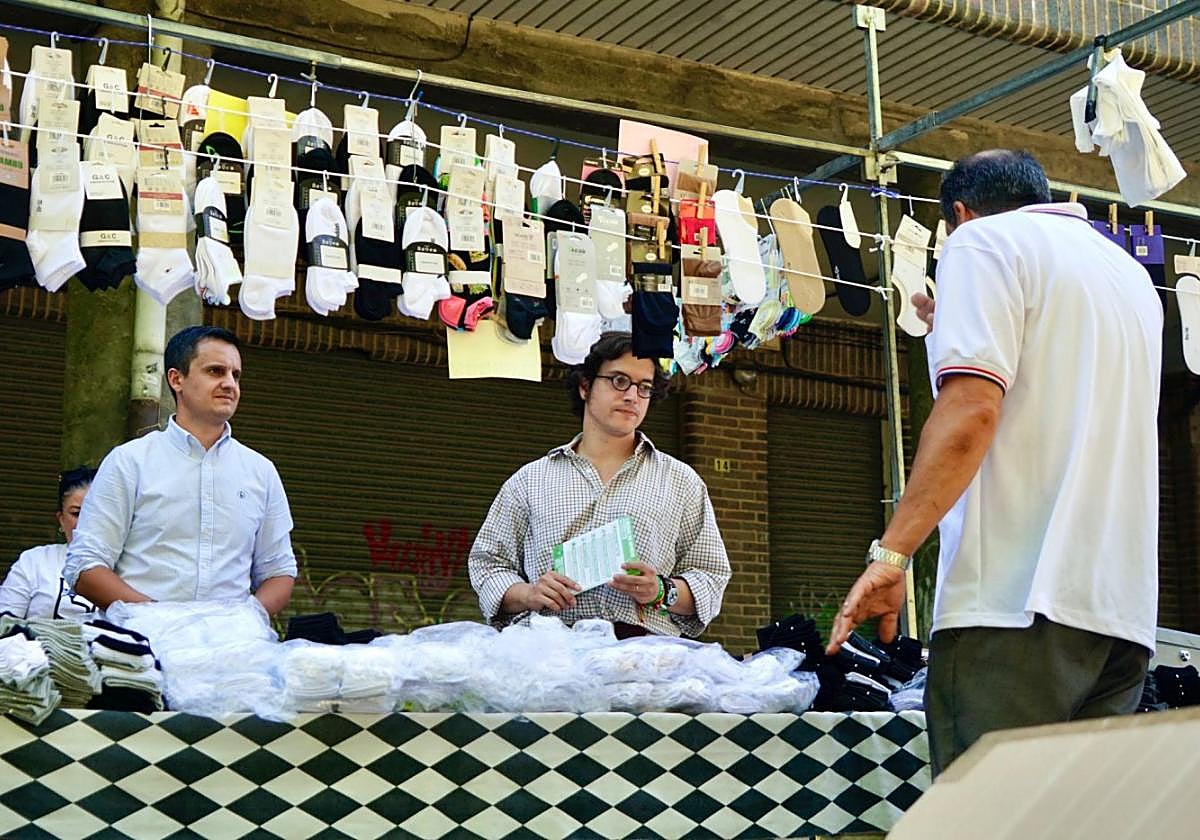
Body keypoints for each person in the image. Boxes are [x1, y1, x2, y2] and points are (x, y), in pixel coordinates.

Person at [826, 150, 1162, 775]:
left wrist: (892, 555)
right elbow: (1057, 390)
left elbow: (973, 410)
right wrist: (950, 326)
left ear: (959, 213)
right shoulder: (1126, 272)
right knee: (1076, 818)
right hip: (1118, 613)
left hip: (1017, 602)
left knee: (985, 813)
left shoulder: (980, 242)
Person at [468, 331, 731, 638]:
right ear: (585, 386)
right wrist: (529, 594)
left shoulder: (681, 482)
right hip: (549, 649)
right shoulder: (529, 481)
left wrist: (661, 590)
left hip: (643, 656)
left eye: (644, 387)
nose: (632, 396)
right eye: (619, 381)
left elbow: (710, 576)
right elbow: (488, 565)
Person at [65, 325, 298, 615]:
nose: (229, 384)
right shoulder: (129, 462)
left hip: (232, 640)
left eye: (235, 375)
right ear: (176, 379)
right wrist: (159, 619)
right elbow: (85, 565)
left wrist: (245, 620)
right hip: (141, 638)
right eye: (215, 371)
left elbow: (279, 570)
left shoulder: (261, 472)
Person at [0, 467, 98, 620]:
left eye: (95, 512)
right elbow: (5, 622)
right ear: (61, 519)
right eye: (76, 513)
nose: (85, 521)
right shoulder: (34, 561)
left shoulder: (131, 564)